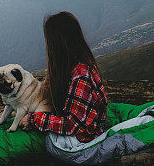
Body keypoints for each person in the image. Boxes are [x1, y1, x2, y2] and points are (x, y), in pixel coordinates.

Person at [19, 11, 109, 142]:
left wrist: (33, 120)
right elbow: (47, 93)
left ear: (57, 43)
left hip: (80, 140)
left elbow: (72, 125)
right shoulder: (69, 68)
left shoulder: (82, 76)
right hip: (71, 133)